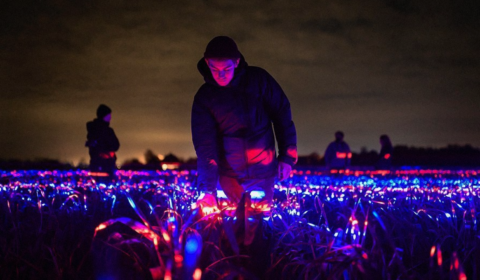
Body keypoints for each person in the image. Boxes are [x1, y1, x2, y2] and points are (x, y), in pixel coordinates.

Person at [191, 36, 297, 244]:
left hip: (263, 172)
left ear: (237, 62)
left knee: (262, 231)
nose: (221, 75)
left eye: (226, 69)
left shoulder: (259, 80)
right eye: (214, 69)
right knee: (229, 234)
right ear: (207, 64)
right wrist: (208, 189)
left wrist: (287, 156)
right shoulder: (205, 97)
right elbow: (205, 146)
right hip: (228, 177)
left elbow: (282, 115)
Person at [85, 104, 120, 180]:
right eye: (108, 115)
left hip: (97, 165)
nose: (110, 117)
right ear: (103, 115)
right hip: (105, 165)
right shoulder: (107, 131)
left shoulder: (92, 129)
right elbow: (115, 145)